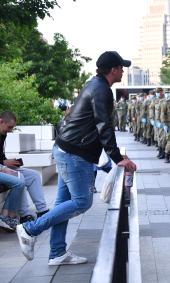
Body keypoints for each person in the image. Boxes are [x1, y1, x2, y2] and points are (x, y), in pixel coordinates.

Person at [16, 51, 137, 265]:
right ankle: (29, 229)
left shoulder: (94, 85)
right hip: (74, 154)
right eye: (121, 67)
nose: (123, 71)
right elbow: (104, 126)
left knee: (63, 203)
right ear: (113, 69)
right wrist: (118, 158)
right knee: (81, 201)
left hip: (66, 150)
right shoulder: (102, 90)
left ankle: (57, 253)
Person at [0, 111, 49, 224]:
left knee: (33, 176)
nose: (10, 130)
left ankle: (42, 210)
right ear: (1, 121)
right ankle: (24, 215)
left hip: (3, 166)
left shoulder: (3, 133)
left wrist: (9, 162)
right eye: (9, 127)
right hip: (2, 168)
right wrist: (4, 163)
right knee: (19, 178)